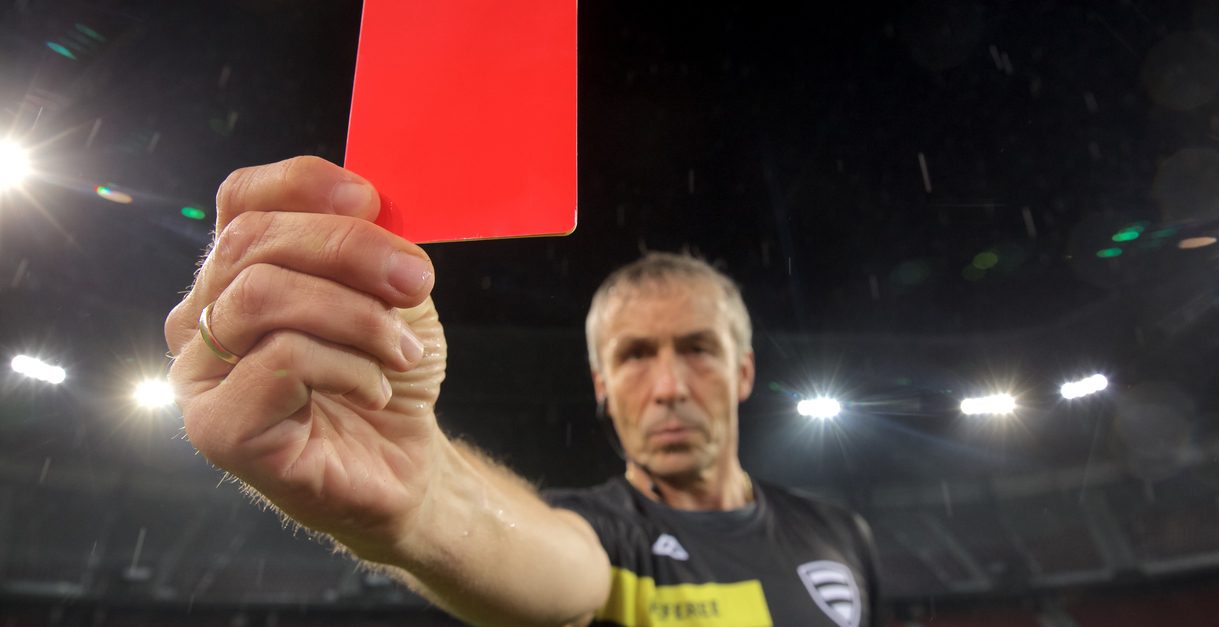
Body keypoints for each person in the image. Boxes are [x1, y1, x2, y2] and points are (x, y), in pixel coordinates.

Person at [165, 156, 880, 626]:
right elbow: (554, 562)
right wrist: (425, 499)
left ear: (745, 370)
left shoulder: (840, 535)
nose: (667, 386)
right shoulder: (602, 539)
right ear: (601, 386)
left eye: (698, 349)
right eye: (634, 356)